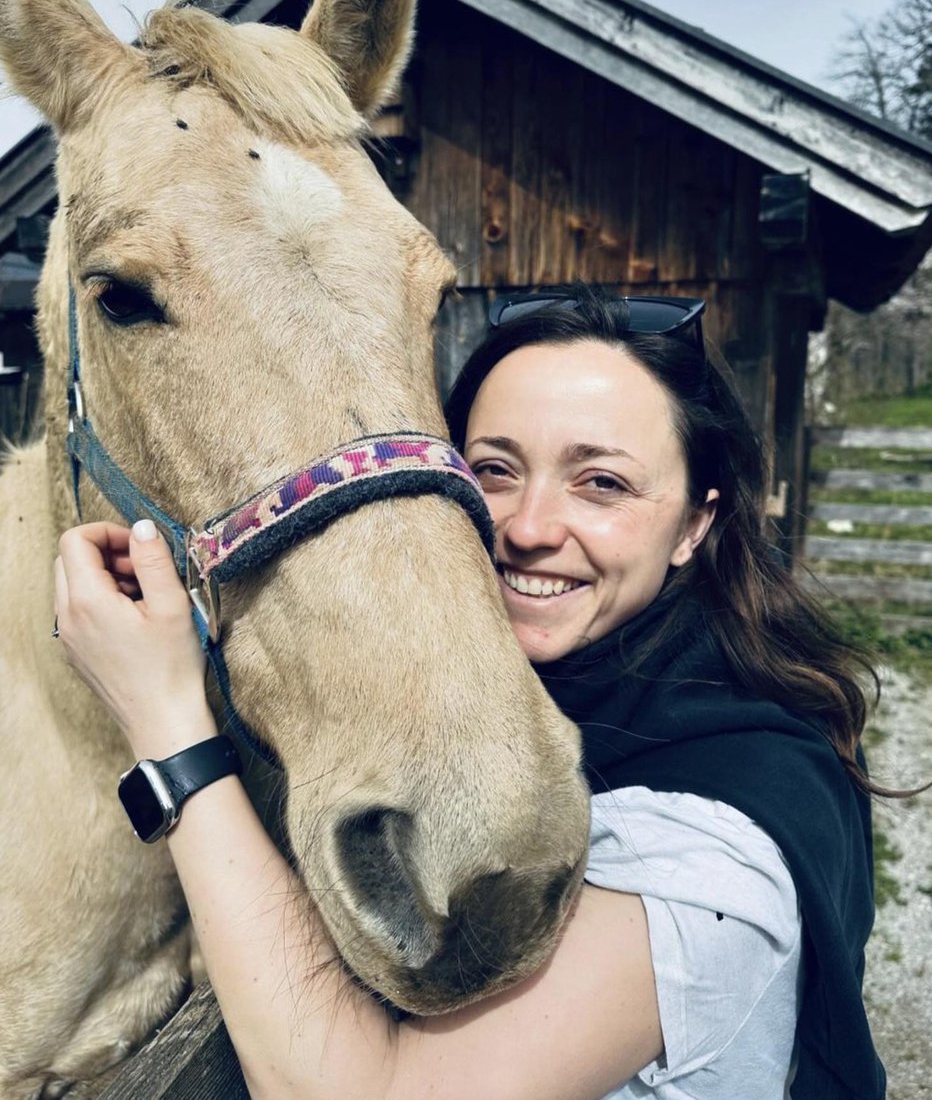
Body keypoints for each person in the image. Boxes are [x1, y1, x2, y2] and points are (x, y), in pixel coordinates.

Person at [55, 284, 886, 1100]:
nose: (527, 527)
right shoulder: (532, 701)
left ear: (695, 526)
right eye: (493, 470)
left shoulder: (711, 845)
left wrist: (164, 720)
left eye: (602, 483)